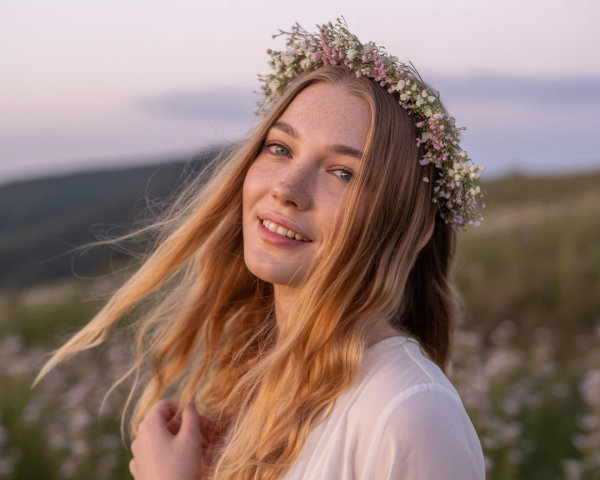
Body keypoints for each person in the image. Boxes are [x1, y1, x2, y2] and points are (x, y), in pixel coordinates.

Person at [37, 19, 486, 479]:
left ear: (415, 229)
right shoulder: (268, 390)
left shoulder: (409, 411)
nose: (287, 188)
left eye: (343, 173)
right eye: (280, 148)